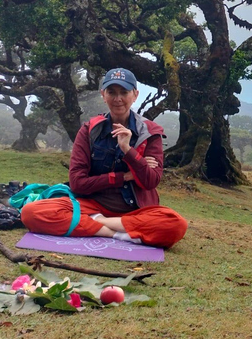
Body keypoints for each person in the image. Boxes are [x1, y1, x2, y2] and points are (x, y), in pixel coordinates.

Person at [21, 68, 188, 248]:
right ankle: (116, 233)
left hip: (135, 211)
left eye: (124, 92)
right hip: (91, 205)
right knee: (31, 212)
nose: (118, 99)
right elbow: (77, 183)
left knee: (175, 224)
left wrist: (128, 150)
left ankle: (95, 223)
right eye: (112, 92)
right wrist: (123, 177)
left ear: (135, 95)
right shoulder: (89, 130)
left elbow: (150, 181)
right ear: (103, 95)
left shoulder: (150, 132)